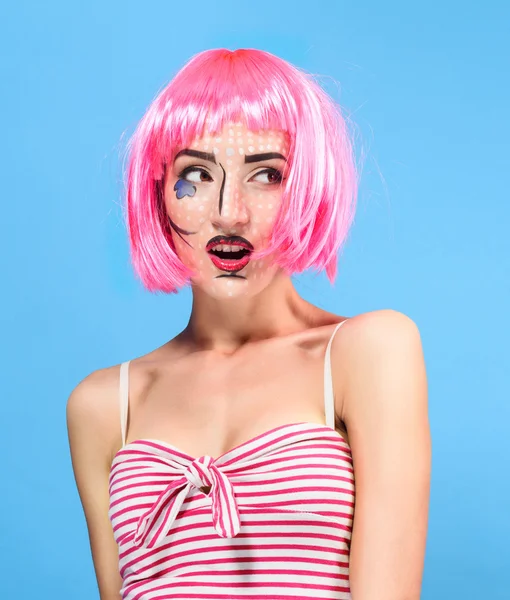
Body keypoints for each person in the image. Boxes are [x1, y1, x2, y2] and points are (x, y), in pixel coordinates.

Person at [67, 48, 431, 600]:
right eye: (195, 174)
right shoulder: (103, 404)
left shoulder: (366, 352)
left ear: (309, 186)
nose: (230, 212)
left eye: (266, 174)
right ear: (157, 192)